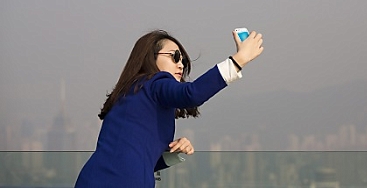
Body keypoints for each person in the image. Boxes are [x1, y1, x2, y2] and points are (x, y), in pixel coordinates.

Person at [74, 29, 264, 188]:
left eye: (183, 60)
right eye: (175, 57)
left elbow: (139, 158)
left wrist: (172, 153)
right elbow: (192, 94)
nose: (180, 64)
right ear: (151, 57)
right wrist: (239, 60)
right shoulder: (154, 83)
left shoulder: (134, 94)